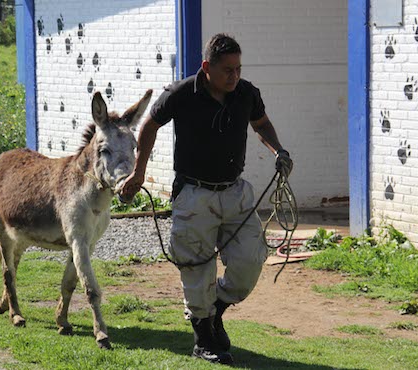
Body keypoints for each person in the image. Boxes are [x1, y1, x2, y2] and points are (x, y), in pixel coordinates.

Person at [119, 33, 293, 364]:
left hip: (235, 191)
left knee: (250, 261)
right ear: (207, 67)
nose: (234, 76)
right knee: (196, 266)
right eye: (227, 69)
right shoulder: (182, 93)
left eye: (238, 68)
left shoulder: (246, 93)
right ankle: (203, 339)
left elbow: (262, 123)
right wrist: (139, 172)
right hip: (194, 193)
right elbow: (149, 127)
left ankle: (215, 311)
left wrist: (278, 150)